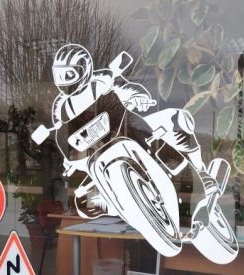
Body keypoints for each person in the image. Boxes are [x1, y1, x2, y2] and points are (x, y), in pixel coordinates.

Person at [51, 43, 218, 198]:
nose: (64, 80)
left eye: (68, 74)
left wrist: (138, 98)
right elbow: (60, 129)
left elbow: (125, 87)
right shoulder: (60, 106)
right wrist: (67, 154)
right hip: (94, 145)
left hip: (126, 127)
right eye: (59, 75)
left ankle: (202, 173)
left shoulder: (103, 79)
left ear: (84, 69)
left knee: (178, 120)